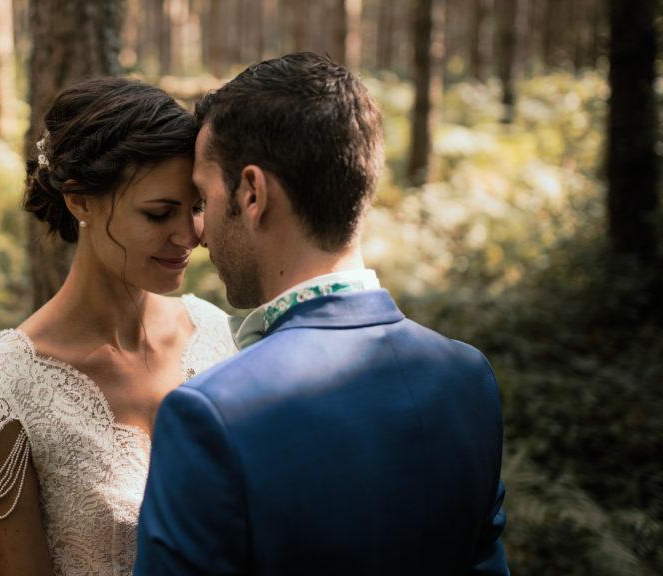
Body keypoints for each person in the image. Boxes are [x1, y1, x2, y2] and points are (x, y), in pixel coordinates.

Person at [135, 53, 509, 575]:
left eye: (203, 195)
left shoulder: (210, 416)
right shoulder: (468, 378)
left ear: (251, 193)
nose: (199, 233)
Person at [0, 77, 237, 576]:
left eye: (196, 208)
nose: (189, 235)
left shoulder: (218, 335)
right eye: (159, 212)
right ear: (79, 201)